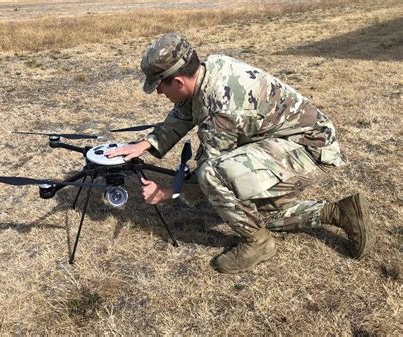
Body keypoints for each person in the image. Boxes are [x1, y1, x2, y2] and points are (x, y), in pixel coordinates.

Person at [107, 32, 373, 274]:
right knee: (252, 214)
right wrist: (147, 143)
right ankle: (339, 213)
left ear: (177, 80)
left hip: (308, 149)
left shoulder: (223, 106)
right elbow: (185, 110)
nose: (159, 93)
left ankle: (257, 243)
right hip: (285, 141)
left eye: (160, 87)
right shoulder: (207, 72)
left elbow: (209, 169)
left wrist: (170, 193)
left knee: (213, 176)